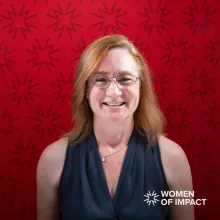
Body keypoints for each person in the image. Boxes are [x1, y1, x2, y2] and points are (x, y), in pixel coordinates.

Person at [37, 34, 194, 220]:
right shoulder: (52, 160)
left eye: (125, 79)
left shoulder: (174, 158)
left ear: (141, 87)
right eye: (100, 80)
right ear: (86, 90)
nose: (113, 92)